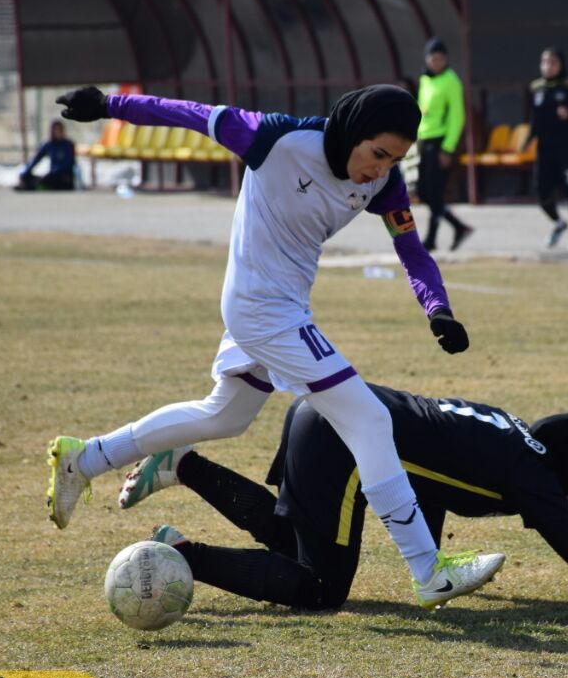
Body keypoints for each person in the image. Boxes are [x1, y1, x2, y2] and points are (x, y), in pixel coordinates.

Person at [47, 84, 502, 608]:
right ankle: (428, 569)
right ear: (353, 133)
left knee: (224, 417)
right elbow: (193, 113)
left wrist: (437, 307)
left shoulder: (384, 183)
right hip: (261, 308)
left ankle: (85, 459)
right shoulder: (276, 137)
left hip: (282, 309)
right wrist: (109, 105)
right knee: (370, 419)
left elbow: (411, 249)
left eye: (395, 160)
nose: (381, 170)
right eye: (378, 154)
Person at [119, 384, 568, 609]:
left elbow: (431, 483)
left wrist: (427, 562)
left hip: (322, 415)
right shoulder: (532, 474)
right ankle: (183, 558)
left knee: (290, 539)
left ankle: (186, 467)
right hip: (340, 439)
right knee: (320, 589)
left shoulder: (512, 432)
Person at [527, 47, 568, 251]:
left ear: (561, 64)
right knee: (541, 194)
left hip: (567, 151)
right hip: (544, 151)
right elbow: (535, 119)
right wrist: (528, 139)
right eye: (544, 62)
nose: (548, 66)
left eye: (552, 62)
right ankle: (559, 223)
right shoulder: (537, 88)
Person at [416, 38, 473, 251]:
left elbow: (457, 117)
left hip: (440, 142)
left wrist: (448, 148)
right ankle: (459, 227)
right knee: (423, 192)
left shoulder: (451, 81)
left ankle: (431, 239)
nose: (436, 62)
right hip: (424, 139)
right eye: (432, 58)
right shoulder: (425, 79)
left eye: (440, 58)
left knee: (435, 192)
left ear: (446, 59)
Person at [16, 120, 76, 191]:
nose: (58, 132)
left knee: (49, 179)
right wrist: (25, 173)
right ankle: (31, 185)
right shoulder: (49, 144)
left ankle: (31, 187)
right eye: (56, 130)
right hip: (51, 175)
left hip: (63, 177)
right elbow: (35, 160)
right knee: (29, 177)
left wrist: (55, 171)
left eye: (60, 130)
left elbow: (69, 163)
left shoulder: (68, 145)